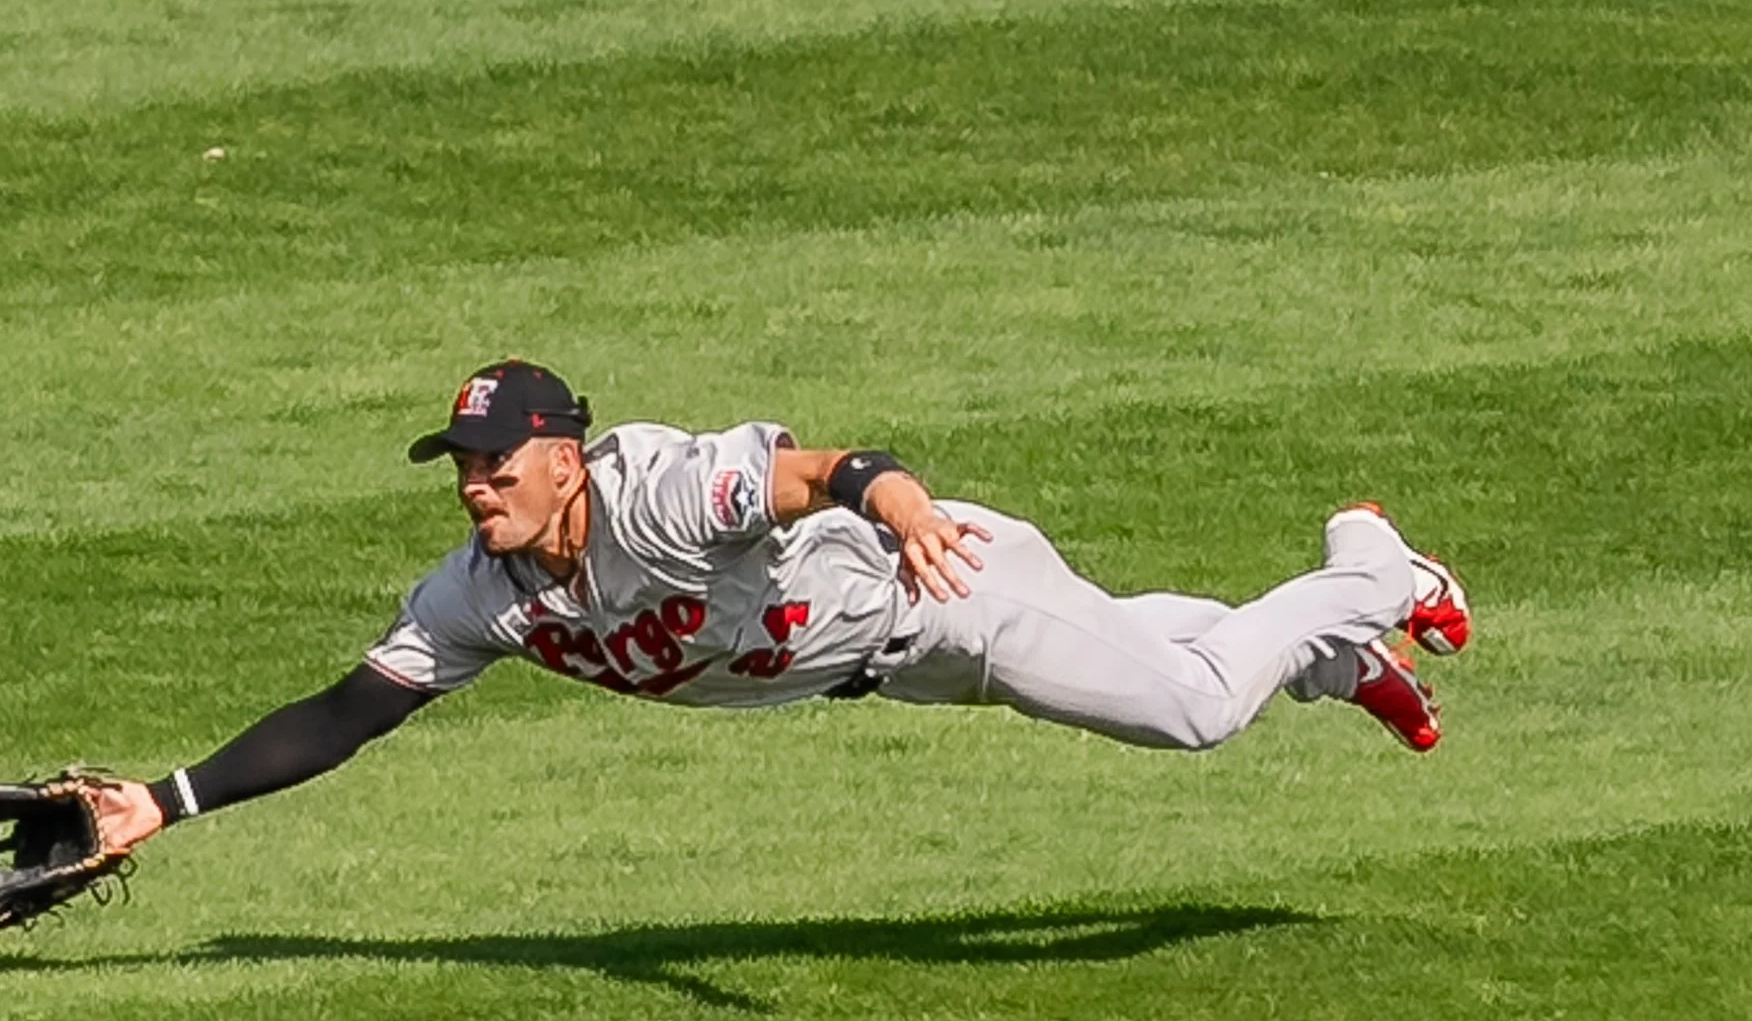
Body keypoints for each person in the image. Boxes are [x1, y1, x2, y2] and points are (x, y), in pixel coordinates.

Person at [81, 359, 1468, 853]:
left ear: (565, 456)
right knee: (1153, 638)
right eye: (459, 468)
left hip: (948, 594)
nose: (473, 488)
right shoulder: (484, 596)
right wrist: (165, 798)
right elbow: (348, 712)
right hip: (889, 661)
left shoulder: (667, 491)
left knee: (1192, 708)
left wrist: (901, 500)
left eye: (494, 465)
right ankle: (1339, 661)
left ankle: (1366, 564)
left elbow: (824, 469)